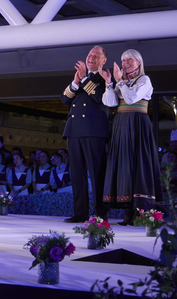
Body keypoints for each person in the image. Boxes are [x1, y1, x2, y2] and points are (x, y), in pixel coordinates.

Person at [101, 49, 161, 225]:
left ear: (139, 62)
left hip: (137, 124)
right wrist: (109, 83)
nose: (125, 63)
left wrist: (120, 82)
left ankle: (141, 212)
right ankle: (128, 210)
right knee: (124, 164)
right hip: (121, 124)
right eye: (123, 60)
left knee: (139, 164)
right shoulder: (123, 82)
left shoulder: (144, 80)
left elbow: (132, 97)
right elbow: (110, 102)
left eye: (129, 60)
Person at [61, 46, 110, 223]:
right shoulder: (81, 78)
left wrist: (82, 79)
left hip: (93, 130)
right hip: (74, 129)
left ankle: (100, 213)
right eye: (90, 55)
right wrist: (75, 82)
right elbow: (65, 99)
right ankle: (80, 212)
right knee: (77, 174)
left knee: (97, 174)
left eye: (96, 56)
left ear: (103, 61)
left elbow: (99, 97)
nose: (91, 58)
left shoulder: (104, 77)